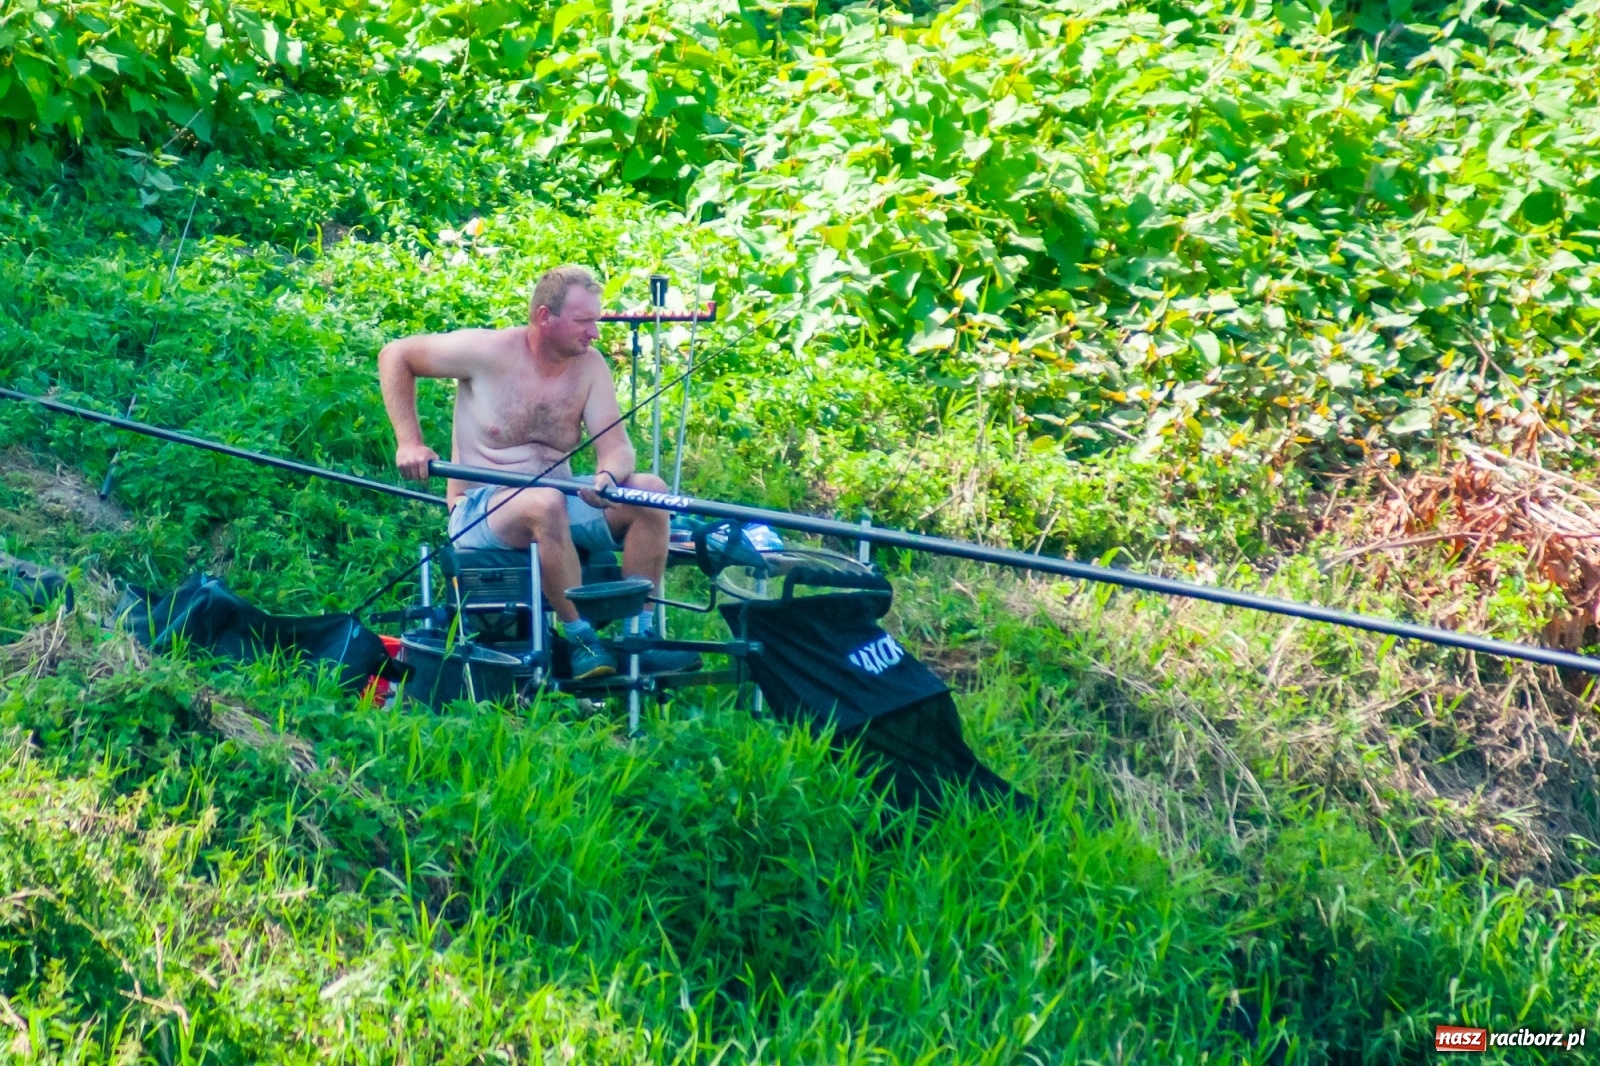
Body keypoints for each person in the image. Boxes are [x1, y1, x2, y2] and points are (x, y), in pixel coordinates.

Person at [378, 264, 697, 679]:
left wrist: (610, 478)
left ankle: (639, 636)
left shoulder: (590, 366)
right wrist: (410, 441)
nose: (595, 333)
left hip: (559, 497)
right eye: (584, 322)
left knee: (648, 493)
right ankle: (580, 636)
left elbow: (616, 448)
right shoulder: (487, 352)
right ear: (545, 317)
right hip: (479, 509)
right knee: (544, 503)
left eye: (595, 321)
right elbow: (395, 354)